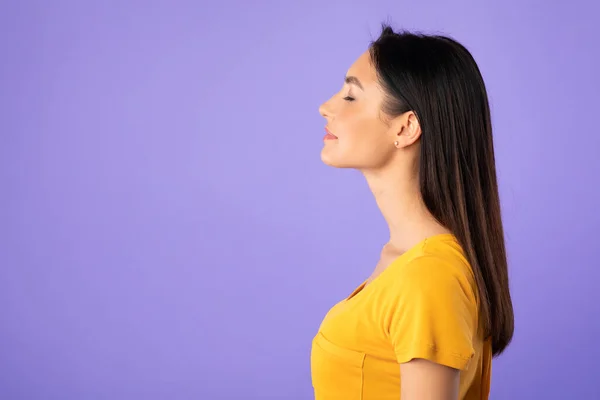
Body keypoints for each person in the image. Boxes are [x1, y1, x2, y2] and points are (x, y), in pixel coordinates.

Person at [311, 24, 514, 400]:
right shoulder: (405, 259)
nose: (326, 106)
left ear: (406, 127)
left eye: (351, 97)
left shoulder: (427, 276)